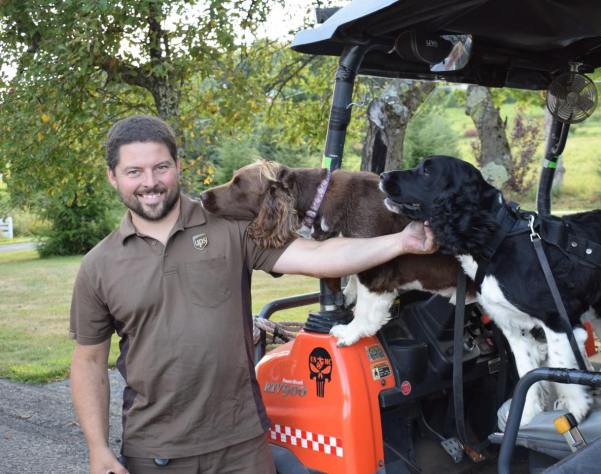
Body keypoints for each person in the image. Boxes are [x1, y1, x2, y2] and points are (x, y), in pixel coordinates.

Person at [69, 115, 437, 474]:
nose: (150, 182)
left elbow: (321, 256)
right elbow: (88, 362)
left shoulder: (231, 228)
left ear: (178, 166)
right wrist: (98, 449)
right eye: (134, 171)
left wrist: (400, 241)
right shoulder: (98, 265)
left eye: (160, 167)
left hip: (242, 445)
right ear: (113, 177)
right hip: (154, 450)